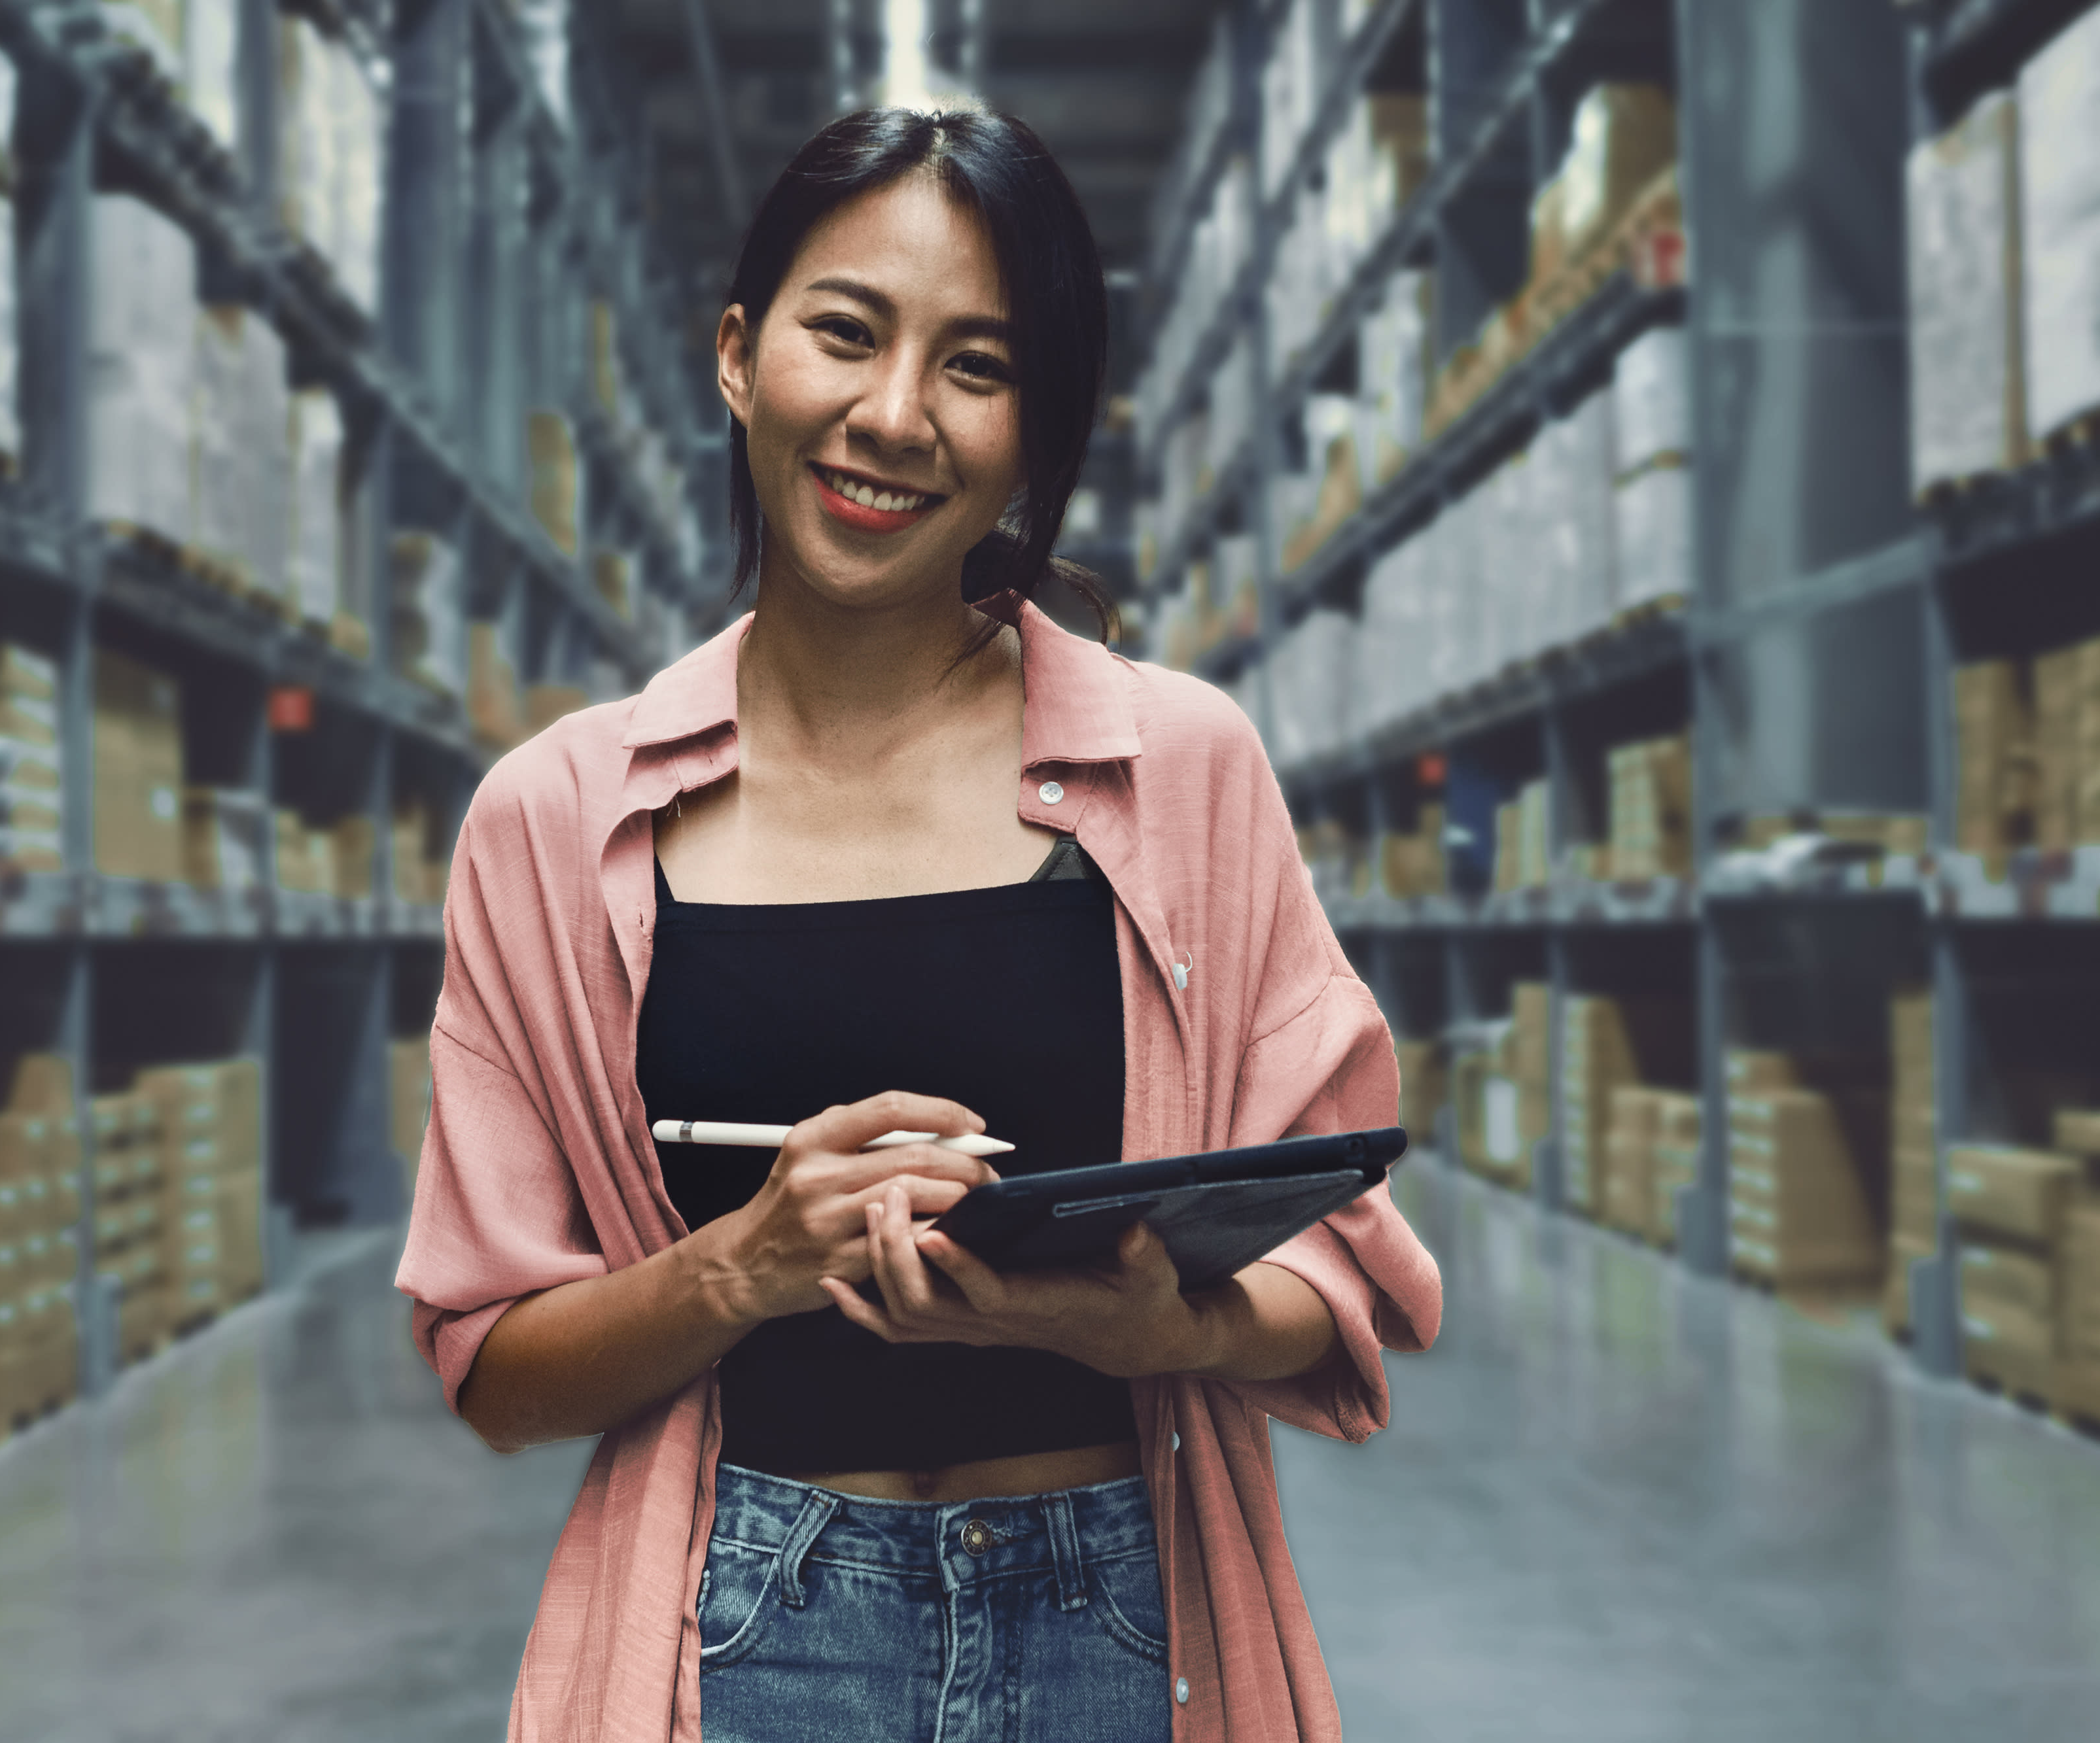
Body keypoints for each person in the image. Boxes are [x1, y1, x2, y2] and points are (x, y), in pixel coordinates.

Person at [398, 107, 1441, 1742]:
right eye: (843, 333)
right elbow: (495, 1367)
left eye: (977, 364)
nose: (892, 417)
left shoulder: (1177, 771)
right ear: (739, 357)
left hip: (1117, 1609)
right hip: (741, 1620)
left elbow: (1343, 1257)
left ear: (1036, 431)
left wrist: (1154, 1324)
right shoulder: (557, 819)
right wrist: (745, 1262)